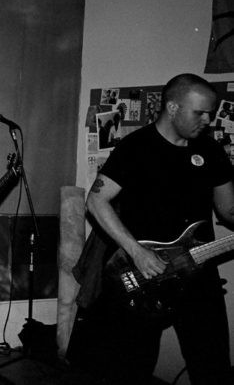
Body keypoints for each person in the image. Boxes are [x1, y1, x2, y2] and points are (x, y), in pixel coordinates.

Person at [67, 73, 234, 384]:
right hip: (143, 274)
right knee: (132, 368)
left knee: (213, 366)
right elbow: (96, 201)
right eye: (199, 112)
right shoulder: (136, 147)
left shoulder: (210, 150)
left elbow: (228, 210)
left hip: (198, 272)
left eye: (211, 113)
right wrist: (137, 252)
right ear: (172, 107)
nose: (207, 120)